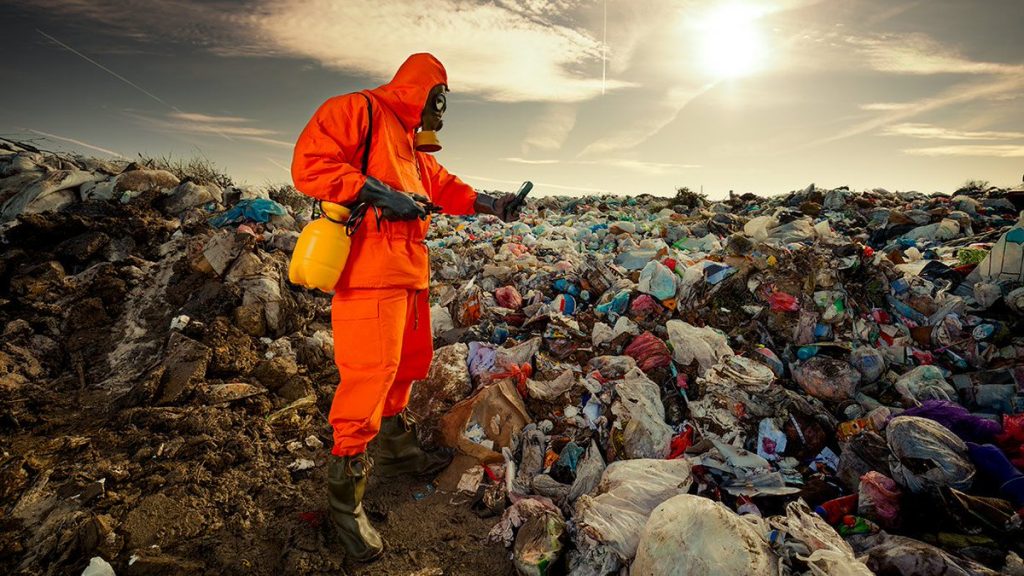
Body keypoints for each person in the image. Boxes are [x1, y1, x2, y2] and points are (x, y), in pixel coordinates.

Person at [290, 53, 524, 562]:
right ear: (425, 92)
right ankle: (344, 500)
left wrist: (493, 204)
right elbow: (310, 165)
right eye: (441, 100)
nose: (442, 113)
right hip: (368, 275)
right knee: (370, 375)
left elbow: (445, 186)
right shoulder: (359, 111)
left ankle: (396, 452)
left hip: (410, 274)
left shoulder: (413, 146)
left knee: (409, 365)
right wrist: (376, 193)